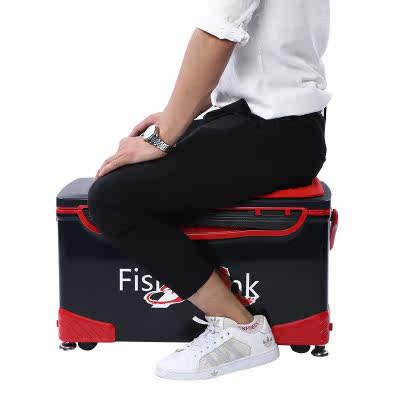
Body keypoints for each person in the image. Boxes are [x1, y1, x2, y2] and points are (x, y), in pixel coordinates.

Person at [88, 0, 330, 380]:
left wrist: (166, 134)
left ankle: (240, 329)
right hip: (281, 125)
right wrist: (179, 116)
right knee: (135, 180)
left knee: (113, 199)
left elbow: (218, 34)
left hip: (274, 132)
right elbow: (252, 47)